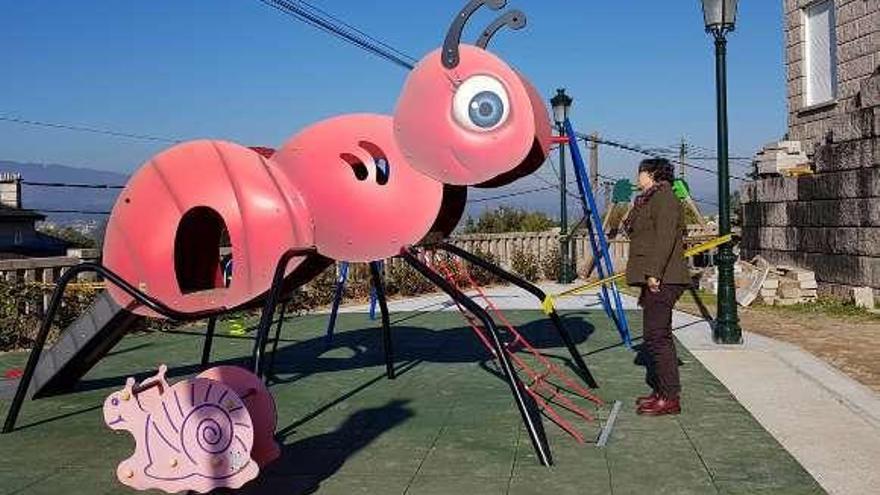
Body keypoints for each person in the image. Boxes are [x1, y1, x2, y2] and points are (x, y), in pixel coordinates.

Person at [623, 158, 690, 416]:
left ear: (650, 174)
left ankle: (670, 397)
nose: (637, 177)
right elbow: (635, 229)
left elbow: (665, 239)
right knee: (656, 336)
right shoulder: (649, 199)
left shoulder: (665, 199)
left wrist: (654, 274)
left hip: (665, 278)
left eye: (640, 172)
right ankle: (661, 392)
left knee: (657, 337)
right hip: (657, 277)